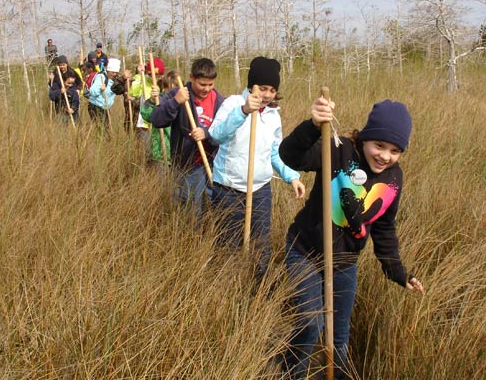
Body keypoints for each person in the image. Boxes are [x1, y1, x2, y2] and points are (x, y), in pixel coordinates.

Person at [278, 98, 425, 379]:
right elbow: (291, 156)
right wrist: (312, 126)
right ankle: (289, 371)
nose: (385, 156)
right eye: (379, 146)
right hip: (305, 250)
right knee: (311, 324)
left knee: (339, 337)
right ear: (365, 138)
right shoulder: (338, 149)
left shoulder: (393, 178)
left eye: (395, 150)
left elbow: (384, 228)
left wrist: (398, 271)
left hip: (345, 261)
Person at [207, 56, 305, 283]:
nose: (267, 95)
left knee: (261, 246)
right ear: (251, 86)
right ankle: (226, 292)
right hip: (228, 189)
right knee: (227, 246)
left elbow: (275, 152)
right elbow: (216, 135)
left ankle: (258, 292)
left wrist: (291, 176)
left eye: (272, 90)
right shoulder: (232, 104)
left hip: (260, 190)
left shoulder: (272, 115)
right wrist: (243, 111)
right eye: (262, 88)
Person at [144, 58, 224, 213]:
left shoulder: (219, 101)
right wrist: (175, 102)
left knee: (213, 208)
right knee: (190, 209)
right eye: (202, 84)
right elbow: (157, 119)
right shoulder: (178, 94)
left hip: (213, 164)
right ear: (191, 77)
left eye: (210, 85)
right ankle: (190, 237)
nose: (206, 89)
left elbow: (225, 132)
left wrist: (206, 134)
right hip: (186, 164)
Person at [135, 60, 172, 164]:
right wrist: (139, 75)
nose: (154, 77)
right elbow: (133, 93)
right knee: (149, 151)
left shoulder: (165, 85)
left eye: (157, 75)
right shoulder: (143, 80)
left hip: (160, 124)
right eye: (151, 74)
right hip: (146, 122)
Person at [87, 57, 121, 126]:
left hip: (104, 108)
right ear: (108, 70)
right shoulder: (101, 77)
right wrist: (100, 89)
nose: (114, 74)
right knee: (102, 129)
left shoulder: (114, 79)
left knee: (105, 129)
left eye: (116, 72)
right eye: (112, 72)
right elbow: (92, 91)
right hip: (96, 107)